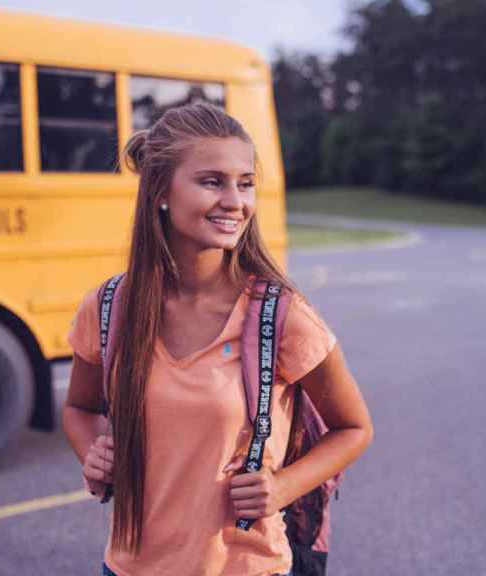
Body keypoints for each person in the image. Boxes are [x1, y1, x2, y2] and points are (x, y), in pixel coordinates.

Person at [62, 103, 373, 576]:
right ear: (161, 192)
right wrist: (94, 455)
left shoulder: (282, 316)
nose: (236, 201)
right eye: (212, 181)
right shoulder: (108, 309)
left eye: (245, 183)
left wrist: (284, 486)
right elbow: (79, 409)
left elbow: (354, 428)